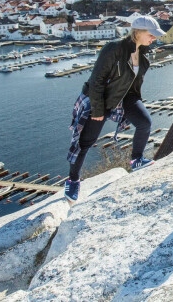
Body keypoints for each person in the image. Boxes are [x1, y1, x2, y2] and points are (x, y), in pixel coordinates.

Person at [64, 16, 165, 202]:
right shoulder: (114, 49)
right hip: (100, 98)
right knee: (85, 142)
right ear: (138, 32)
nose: (154, 39)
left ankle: (136, 160)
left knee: (145, 123)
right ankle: (73, 180)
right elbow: (97, 81)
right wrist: (97, 110)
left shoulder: (142, 55)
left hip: (126, 96)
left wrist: (135, 104)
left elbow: (133, 84)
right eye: (151, 35)